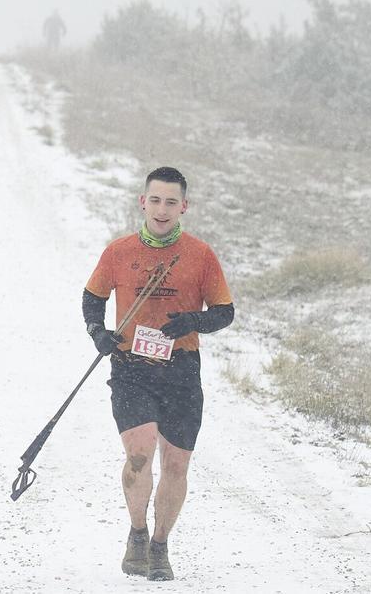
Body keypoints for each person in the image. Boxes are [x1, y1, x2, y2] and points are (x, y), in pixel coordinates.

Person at [81, 167, 234, 581]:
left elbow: (224, 313)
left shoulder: (201, 255)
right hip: (132, 367)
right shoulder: (119, 252)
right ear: (142, 202)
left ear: (183, 206)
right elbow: (92, 297)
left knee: (177, 466)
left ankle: (160, 544)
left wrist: (191, 321)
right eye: (155, 200)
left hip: (182, 370)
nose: (162, 209)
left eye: (171, 202)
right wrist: (98, 333)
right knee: (139, 454)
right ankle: (136, 531)